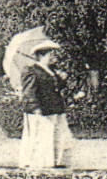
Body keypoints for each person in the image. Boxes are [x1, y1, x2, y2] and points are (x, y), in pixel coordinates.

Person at [19, 41, 75, 169]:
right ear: (42, 55)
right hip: (42, 109)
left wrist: (62, 79)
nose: (53, 57)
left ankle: (56, 161)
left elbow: (56, 88)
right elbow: (29, 92)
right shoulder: (32, 71)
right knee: (42, 137)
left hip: (55, 107)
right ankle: (40, 162)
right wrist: (35, 108)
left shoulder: (51, 71)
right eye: (51, 54)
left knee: (57, 135)